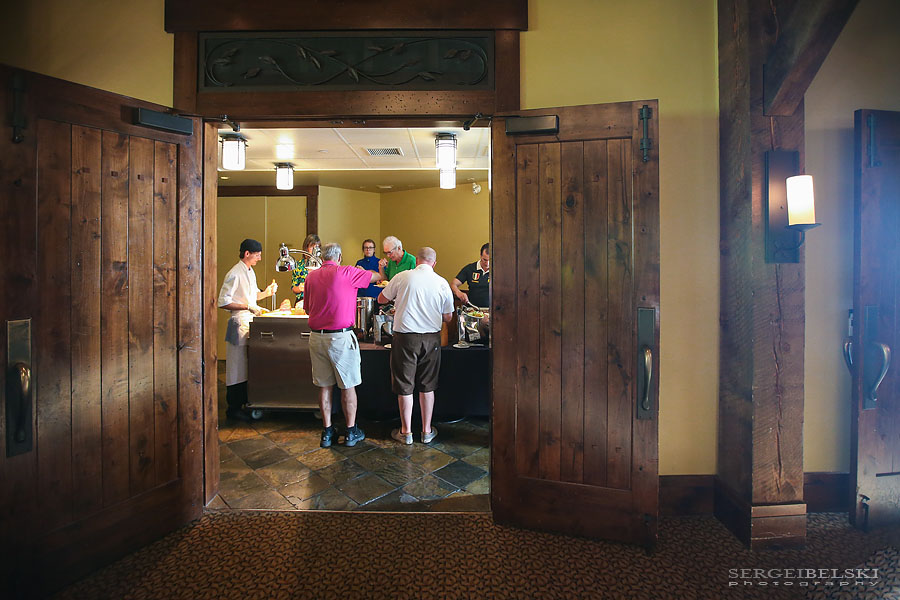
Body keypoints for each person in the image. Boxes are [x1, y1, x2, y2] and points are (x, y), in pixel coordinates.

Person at [304, 242, 383, 447]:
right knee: (348, 386)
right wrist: (370, 270)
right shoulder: (347, 272)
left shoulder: (310, 277)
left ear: (323, 258)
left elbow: (307, 309)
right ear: (339, 257)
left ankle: (327, 432)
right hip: (339, 337)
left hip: (316, 337)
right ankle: (350, 431)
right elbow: (377, 278)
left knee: (324, 386)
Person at [377, 247, 454, 445]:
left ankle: (406, 432)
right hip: (431, 338)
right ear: (434, 263)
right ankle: (427, 431)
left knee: (405, 384)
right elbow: (448, 317)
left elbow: (381, 299)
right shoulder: (442, 282)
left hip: (405, 338)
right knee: (428, 385)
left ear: (417, 261)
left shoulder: (403, 276)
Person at [217, 238, 277, 422]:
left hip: (248, 322)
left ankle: (243, 402)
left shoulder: (250, 272)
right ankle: (233, 408)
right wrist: (247, 307)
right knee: (236, 367)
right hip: (237, 324)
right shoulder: (235, 273)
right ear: (247, 254)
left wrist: (266, 293)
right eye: (257, 255)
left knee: (245, 365)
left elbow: (252, 296)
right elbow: (223, 301)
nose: (259, 258)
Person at [451, 243, 490, 308]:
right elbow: (453, 284)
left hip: (491, 311)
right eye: (485, 260)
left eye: (490, 260)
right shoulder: (470, 268)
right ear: (480, 256)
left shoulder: (498, 271)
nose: (487, 264)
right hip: (472, 309)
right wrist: (459, 293)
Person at [290, 233, 321, 305]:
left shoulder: (322, 265)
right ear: (306, 248)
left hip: (318, 300)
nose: (314, 250)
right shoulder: (298, 265)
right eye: (311, 247)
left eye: (317, 247)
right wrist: (300, 288)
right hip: (301, 301)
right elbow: (294, 288)